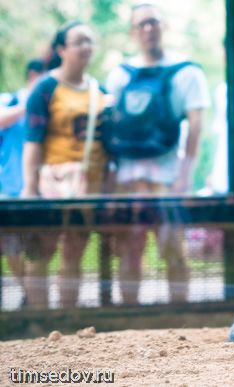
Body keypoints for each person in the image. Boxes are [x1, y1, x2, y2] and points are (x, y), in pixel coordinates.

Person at [106, 3, 211, 304]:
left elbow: (196, 128)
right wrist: (110, 184)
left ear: (163, 26)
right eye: (142, 24)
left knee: (173, 249)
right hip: (128, 180)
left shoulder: (187, 73)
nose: (148, 29)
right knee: (129, 249)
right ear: (133, 32)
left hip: (168, 179)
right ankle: (129, 317)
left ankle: (181, 318)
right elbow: (110, 133)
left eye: (153, 22)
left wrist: (184, 179)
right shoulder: (119, 75)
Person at [22, 21, 112, 308]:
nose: (86, 47)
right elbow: (33, 141)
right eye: (79, 41)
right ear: (61, 49)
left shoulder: (99, 89)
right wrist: (30, 188)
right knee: (42, 250)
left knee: (75, 249)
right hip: (53, 181)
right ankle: (37, 321)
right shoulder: (45, 88)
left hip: (88, 183)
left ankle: (67, 320)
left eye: (90, 41)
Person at [0, 59, 45, 305]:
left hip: (40, 193)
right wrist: (28, 105)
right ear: (32, 77)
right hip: (8, 191)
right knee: (10, 247)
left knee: (36, 248)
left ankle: (33, 300)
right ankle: (27, 294)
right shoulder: (9, 101)